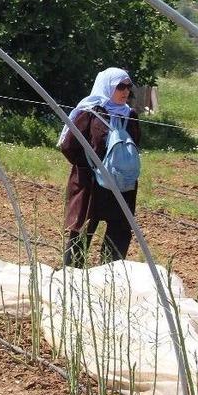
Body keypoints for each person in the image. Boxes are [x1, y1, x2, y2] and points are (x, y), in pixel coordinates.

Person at [59, 67, 140, 267]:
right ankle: (72, 277)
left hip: (121, 184)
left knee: (119, 231)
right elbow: (69, 145)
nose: (125, 91)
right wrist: (91, 167)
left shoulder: (130, 115)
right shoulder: (89, 113)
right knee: (82, 231)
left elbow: (135, 144)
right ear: (107, 86)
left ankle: (109, 277)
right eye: (120, 86)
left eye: (128, 87)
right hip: (91, 183)